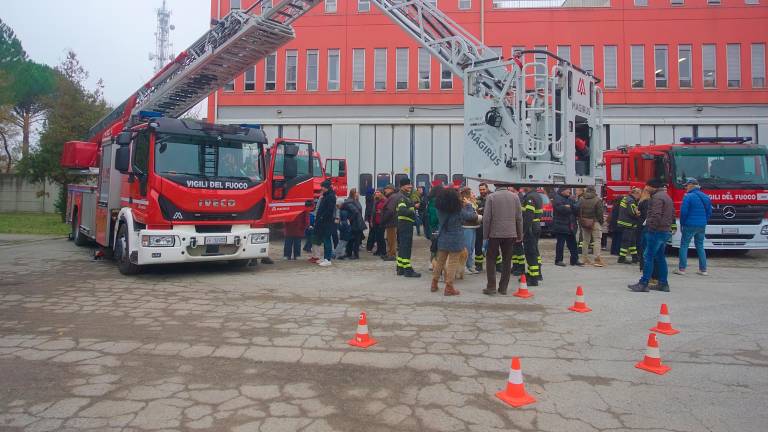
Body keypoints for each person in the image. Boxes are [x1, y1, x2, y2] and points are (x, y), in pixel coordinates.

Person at [629, 179, 675, 292]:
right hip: (665, 230)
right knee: (660, 257)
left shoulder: (657, 198)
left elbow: (656, 215)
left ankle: (643, 283)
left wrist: (650, 228)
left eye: (647, 186)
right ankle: (663, 283)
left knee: (648, 256)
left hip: (656, 231)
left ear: (652, 187)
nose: (645, 188)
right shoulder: (666, 196)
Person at [431, 188, 476, 296]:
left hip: (443, 237)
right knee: (452, 263)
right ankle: (449, 287)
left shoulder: (439, 209)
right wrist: (469, 205)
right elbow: (471, 216)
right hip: (455, 238)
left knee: (440, 262)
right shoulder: (458, 210)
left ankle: (434, 283)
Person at [482, 184, 524, 295]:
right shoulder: (515, 197)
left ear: (496, 186)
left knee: (491, 259)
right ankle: (503, 288)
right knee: (507, 260)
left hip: (494, 234)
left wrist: (485, 236)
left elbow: (486, 219)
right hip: (511, 234)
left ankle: (491, 287)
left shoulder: (491, 197)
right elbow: (519, 217)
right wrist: (520, 234)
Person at [676, 178, 712, 276]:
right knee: (700, 245)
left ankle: (682, 269)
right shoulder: (706, 196)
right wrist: (704, 221)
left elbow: (684, 212)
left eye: (686, 185)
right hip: (701, 225)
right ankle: (703, 269)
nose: (685, 187)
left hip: (689, 224)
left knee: (684, 245)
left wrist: (682, 223)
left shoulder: (688, 197)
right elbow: (709, 212)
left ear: (691, 185)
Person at [391, 178, 421, 277]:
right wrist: (413, 211)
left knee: (403, 246)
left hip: (404, 225)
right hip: (405, 225)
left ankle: (400, 268)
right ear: (403, 186)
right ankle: (408, 270)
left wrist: (413, 205)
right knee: (406, 247)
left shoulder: (404, 196)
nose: (410, 186)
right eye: (408, 185)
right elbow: (402, 210)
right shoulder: (402, 197)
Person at [520, 186, 544, 284]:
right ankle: (537, 274)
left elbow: (528, 216)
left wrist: (523, 231)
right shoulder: (538, 196)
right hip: (536, 226)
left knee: (530, 253)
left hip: (530, 228)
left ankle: (533, 278)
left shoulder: (530, 197)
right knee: (535, 251)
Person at [553, 188, 582, 267]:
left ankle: (574, 260)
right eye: (568, 190)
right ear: (562, 191)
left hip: (570, 226)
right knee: (560, 244)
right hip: (561, 225)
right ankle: (558, 260)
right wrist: (569, 207)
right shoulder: (557, 198)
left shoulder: (569, 199)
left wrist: (570, 206)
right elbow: (562, 209)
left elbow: (576, 209)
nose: (569, 191)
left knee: (573, 244)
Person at [577, 186, 605, 267]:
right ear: (594, 191)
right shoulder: (597, 200)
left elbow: (578, 210)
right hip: (595, 222)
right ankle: (597, 259)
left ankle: (584, 258)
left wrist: (581, 220)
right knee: (597, 240)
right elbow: (600, 213)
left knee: (585, 241)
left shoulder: (581, 199)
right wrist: (601, 222)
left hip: (584, 222)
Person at [314, 180, 337, 267]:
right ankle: (325, 258)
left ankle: (328, 259)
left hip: (327, 222)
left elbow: (329, 210)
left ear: (326, 187)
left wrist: (322, 217)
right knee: (325, 239)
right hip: (323, 222)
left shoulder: (330, 197)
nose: (321, 188)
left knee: (327, 240)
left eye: (322, 187)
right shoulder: (326, 195)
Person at [617, 188, 642, 264]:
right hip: (628, 224)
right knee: (626, 241)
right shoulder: (631, 201)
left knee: (632, 242)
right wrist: (638, 213)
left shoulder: (626, 198)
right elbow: (633, 213)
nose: (639, 197)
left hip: (625, 223)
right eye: (639, 195)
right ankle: (622, 258)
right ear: (636, 193)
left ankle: (635, 257)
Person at [460, 187, 481, 275]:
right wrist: (478, 216)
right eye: (472, 193)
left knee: (471, 248)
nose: (474, 195)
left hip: (473, 227)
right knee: (467, 248)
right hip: (466, 228)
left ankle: (470, 265)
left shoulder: (472, 203)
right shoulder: (464, 204)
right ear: (467, 196)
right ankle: (464, 266)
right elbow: (468, 216)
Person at [342, 188, 365, 259]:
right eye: (356, 192)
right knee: (355, 239)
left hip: (356, 223)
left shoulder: (353, 201)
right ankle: (353, 254)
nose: (358, 194)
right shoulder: (351, 202)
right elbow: (356, 212)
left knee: (354, 239)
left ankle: (351, 253)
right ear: (353, 194)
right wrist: (350, 219)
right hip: (355, 223)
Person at [474, 183, 490, 272]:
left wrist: (482, 209)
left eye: (483, 189)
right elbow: (475, 210)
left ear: (487, 189)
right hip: (480, 224)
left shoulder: (491, 198)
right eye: (480, 189)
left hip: (490, 225)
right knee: (478, 244)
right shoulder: (477, 199)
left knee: (492, 245)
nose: (482, 191)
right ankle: (478, 265)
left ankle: (498, 265)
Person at [380, 184, 397, 262]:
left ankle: (392, 254)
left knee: (391, 239)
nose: (385, 190)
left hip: (391, 222)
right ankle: (390, 253)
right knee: (389, 239)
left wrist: (383, 219)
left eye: (386, 189)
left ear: (391, 189)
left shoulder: (392, 197)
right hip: (391, 222)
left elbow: (390, 210)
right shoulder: (391, 197)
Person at [371, 189, 387, 256]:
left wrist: (381, 212)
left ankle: (383, 251)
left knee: (381, 237)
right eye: (376, 192)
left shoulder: (385, 200)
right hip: (376, 221)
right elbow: (373, 211)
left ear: (381, 193)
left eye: (378, 192)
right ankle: (378, 250)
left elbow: (386, 210)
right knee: (377, 237)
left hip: (381, 221)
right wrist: (371, 221)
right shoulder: (376, 200)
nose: (376, 193)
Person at [365, 187, 376, 252]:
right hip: (371, 216)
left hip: (369, 216)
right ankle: (369, 246)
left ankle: (370, 246)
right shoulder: (372, 199)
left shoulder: (368, 198)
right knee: (372, 231)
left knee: (371, 231)